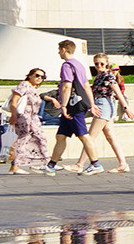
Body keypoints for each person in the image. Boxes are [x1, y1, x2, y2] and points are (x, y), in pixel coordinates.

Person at [44, 40, 108, 175]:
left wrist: (63, 106)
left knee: (84, 135)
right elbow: (86, 86)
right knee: (61, 136)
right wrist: (91, 104)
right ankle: (51, 165)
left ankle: (95, 164)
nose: (58, 52)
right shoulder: (79, 65)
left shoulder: (67, 66)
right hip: (78, 104)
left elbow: (67, 86)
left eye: (58, 49)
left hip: (73, 106)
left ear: (63, 49)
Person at [8, 68, 51, 174]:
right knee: (24, 140)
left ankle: (46, 162)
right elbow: (14, 100)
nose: (39, 78)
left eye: (42, 77)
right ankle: (15, 166)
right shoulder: (24, 85)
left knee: (40, 139)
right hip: (24, 118)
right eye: (37, 75)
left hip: (33, 119)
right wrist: (13, 115)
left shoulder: (33, 88)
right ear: (30, 75)